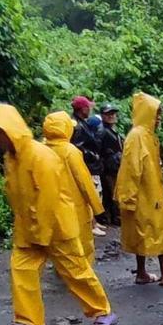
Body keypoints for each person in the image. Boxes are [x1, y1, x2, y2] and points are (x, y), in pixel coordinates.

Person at [0, 103, 116, 325]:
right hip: (30, 228)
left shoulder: (40, 155)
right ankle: (28, 318)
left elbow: (48, 199)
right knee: (21, 269)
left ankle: (102, 311)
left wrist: (42, 234)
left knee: (76, 271)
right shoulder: (12, 158)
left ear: (10, 130)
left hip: (56, 226)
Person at [115, 92, 163, 285]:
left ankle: (142, 273)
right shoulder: (138, 136)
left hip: (149, 192)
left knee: (143, 231)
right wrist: (128, 197)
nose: (159, 118)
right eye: (157, 114)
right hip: (145, 194)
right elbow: (131, 170)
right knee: (158, 231)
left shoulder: (145, 136)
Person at [43, 111, 105, 265]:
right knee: (82, 244)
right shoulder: (70, 152)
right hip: (74, 205)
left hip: (51, 206)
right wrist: (97, 207)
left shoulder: (42, 149)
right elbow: (84, 182)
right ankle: (83, 274)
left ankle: (63, 269)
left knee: (60, 242)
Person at [70, 96, 106, 237]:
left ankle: (94, 222)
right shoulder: (77, 126)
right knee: (90, 194)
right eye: (88, 107)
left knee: (95, 192)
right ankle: (91, 223)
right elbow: (78, 147)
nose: (90, 109)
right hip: (86, 165)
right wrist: (92, 155)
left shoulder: (82, 123)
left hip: (90, 164)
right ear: (83, 109)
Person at [99, 103, 123, 226]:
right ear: (102, 115)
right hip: (109, 168)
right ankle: (115, 218)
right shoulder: (102, 131)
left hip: (115, 166)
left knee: (113, 192)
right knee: (113, 193)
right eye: (108, 114)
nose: (111, 116)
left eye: (113, 113)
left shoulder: (111, 130)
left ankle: (114, 217)